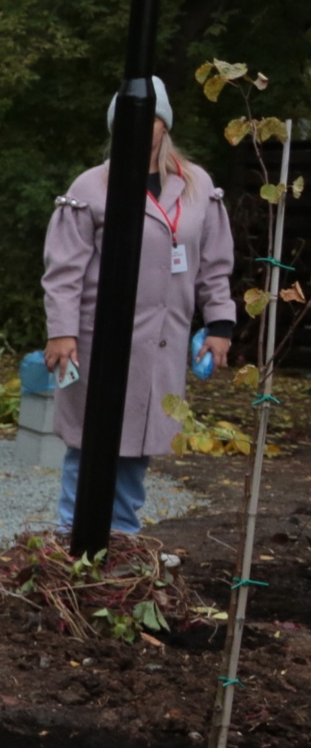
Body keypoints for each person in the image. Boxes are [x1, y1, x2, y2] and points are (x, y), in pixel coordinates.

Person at [43, 80, 235, 533]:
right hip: (97, 339)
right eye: (129, 118)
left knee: (138, 442)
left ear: (164, 124)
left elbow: (214, 264)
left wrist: (220, 324)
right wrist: (61, 331)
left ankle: (123, 539)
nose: (140, 126)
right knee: (90, 441)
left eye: (150, 117)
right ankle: (73, 537)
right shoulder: (90, 187)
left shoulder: (197, 186)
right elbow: (63, 270)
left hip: (162, 341)